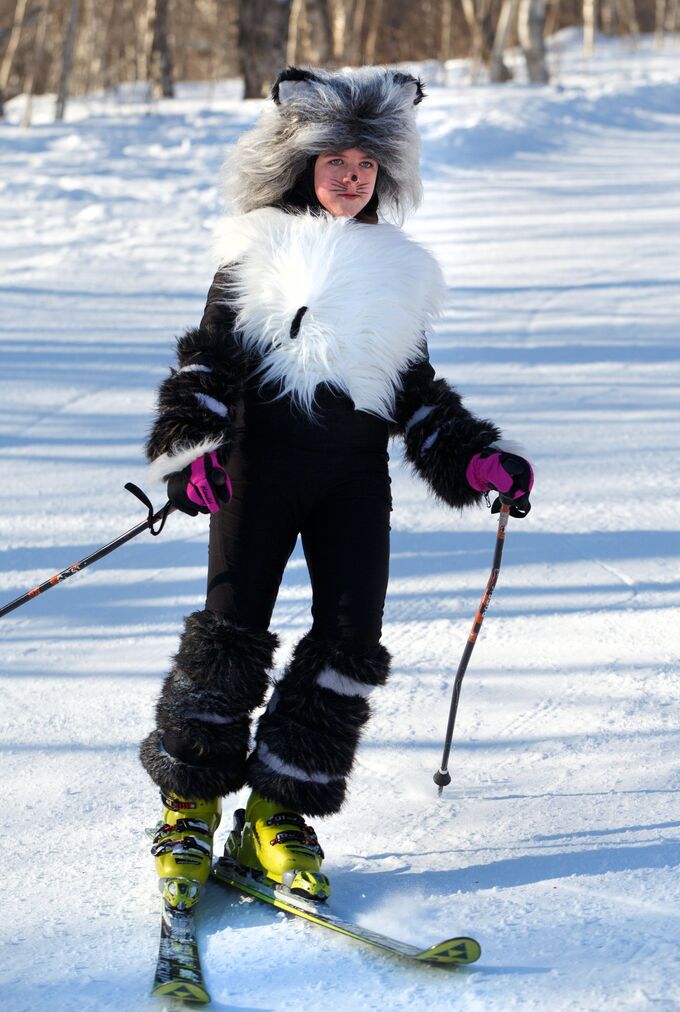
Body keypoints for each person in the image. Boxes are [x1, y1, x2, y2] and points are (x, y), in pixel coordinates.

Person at [141, 66, 533, 912]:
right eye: (335, 160)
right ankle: (190, 803)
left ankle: (278, 812)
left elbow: (415, 391)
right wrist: (193, 450)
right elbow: (207, 360)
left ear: (386, 172)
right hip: (256, 475)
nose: (352, 175)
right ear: (302, 164)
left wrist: (476, 459)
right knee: (231, 630)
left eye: (367, 163)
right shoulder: (257, 254)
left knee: (350, 642)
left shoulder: (400, 271)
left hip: (354, 483)